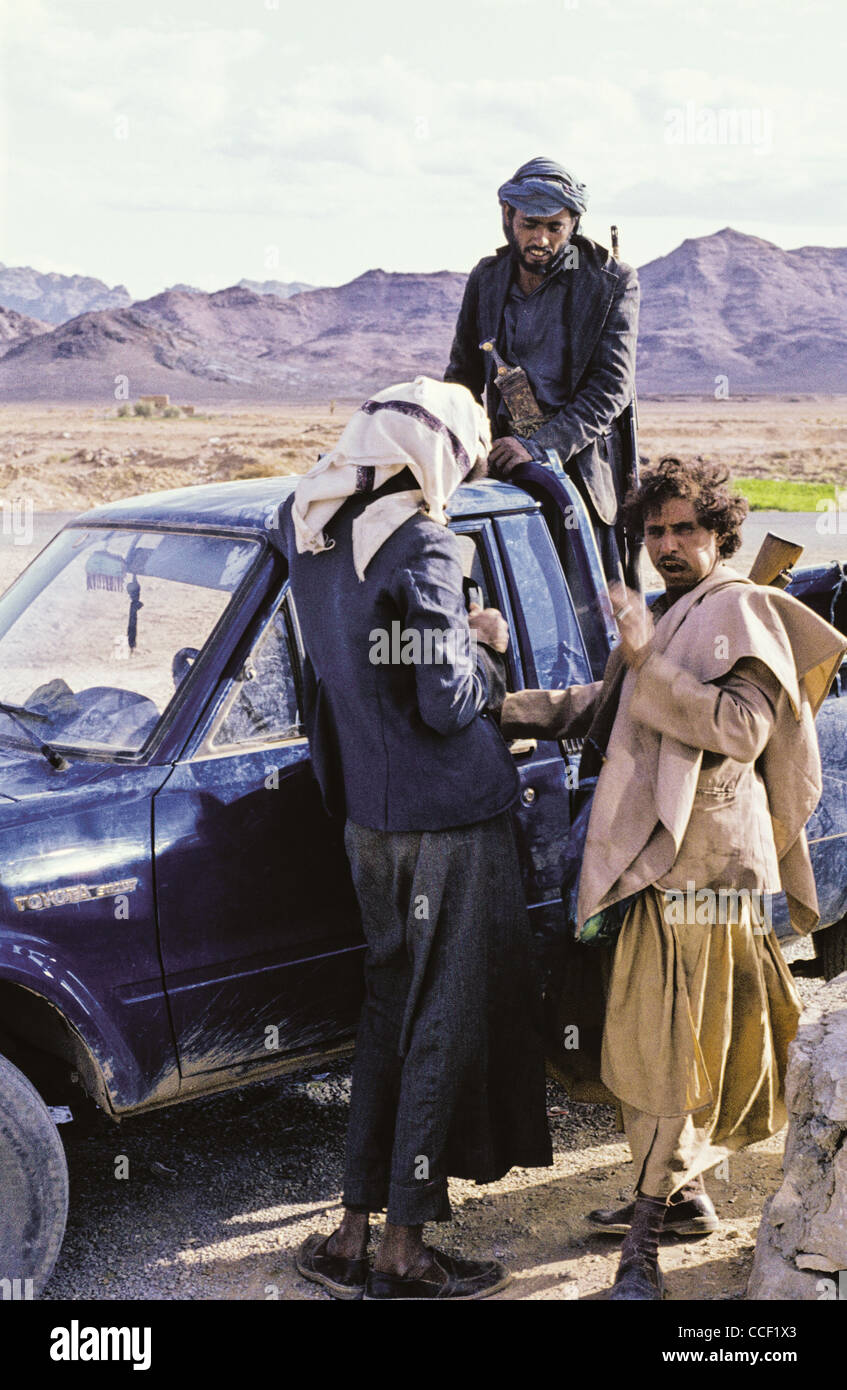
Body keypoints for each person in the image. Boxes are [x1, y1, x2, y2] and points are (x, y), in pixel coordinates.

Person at [499, 457, 847, 1300]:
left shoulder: (744, 609)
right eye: (652, 531)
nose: (665, 545)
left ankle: (642, 1251)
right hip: (645, 869)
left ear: (719, 533)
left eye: (683, 528)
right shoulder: (671, 614)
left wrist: (648, 658)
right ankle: (683, 1196)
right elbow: (613, 702)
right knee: (643, 1045)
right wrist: (505, 710)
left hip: (704, 873)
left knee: (663, 1059)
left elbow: (736, 727)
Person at [278, 376, 552, 1301]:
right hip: (450, 822)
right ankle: (404, 1246)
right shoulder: (426, 545)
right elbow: (445, 703)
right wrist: (486, 644)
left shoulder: (306, 529)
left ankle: (350, 1232)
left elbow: (348, 669)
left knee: (388, 1014)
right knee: (444, 1017)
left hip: (369, 821)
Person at [445, 155, 639, 583]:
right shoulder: (487, 278)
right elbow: (462, 378)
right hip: (504, 477)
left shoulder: (609, 281)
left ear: (573, 225)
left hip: (579, 480)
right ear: (508, 216)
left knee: (588, 616)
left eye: (555, 227)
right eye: (531, 224)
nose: (542, 239)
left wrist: (538, 448)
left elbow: (611, 388)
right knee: (508, 611)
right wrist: (448, 444)